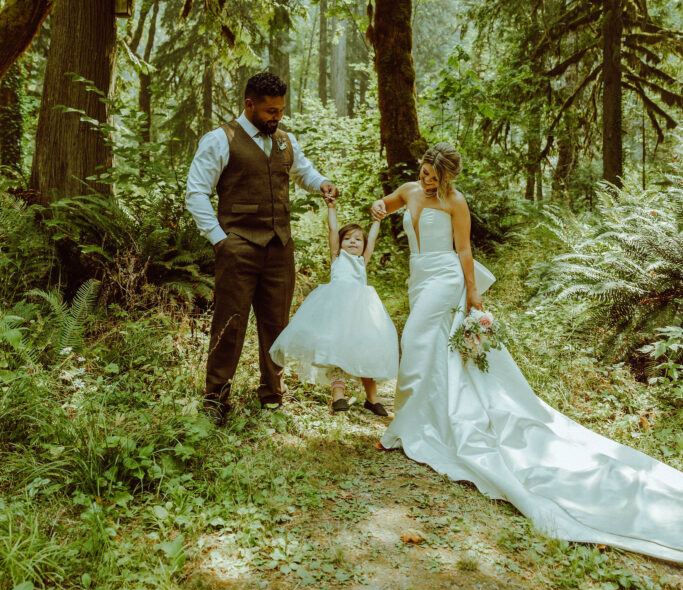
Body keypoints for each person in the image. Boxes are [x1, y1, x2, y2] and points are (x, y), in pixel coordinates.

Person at [371, 143, 683, 563]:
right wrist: (377, 208)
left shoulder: (455, 201)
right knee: (428, 350)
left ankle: (402, 426)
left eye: (436, 179)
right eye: (426, 173)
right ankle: (420, 419)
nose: (428, 183)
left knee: (412, 339)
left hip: (445, 278)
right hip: (417, 278)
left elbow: (464, 250)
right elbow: (387, 206)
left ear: (448, 180)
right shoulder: (409, 189)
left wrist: (473, 294)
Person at [185, 72, 338, 423]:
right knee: (231, 324)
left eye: (281, 110)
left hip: (279, 248)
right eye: (270, 111)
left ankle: (272, 395)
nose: (277, 117)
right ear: (249, 104)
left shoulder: (285, 140)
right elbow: (196, 193)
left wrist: (322, 184)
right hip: (237, 247)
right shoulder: (219, 140)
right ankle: (216, 400)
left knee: (277, 324)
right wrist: (219, 239)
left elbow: (304, 173)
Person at [270, 201, 398, 415]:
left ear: (363, 245)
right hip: (337, 316)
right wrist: (331, 207)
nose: (352, 242)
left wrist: (377, 221)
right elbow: (332, 229)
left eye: (358, 239)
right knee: (335, 352)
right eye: (347, 238)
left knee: (365, 352)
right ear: (340, 243)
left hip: (361, 315)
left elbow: (373, 238)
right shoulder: (337, 258)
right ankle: (338, 397)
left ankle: (372, 399)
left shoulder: (361, 261)